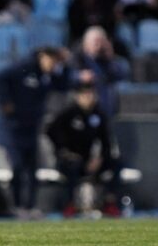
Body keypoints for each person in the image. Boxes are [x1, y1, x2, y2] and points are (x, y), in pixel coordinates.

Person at [0, 47, 70, 217]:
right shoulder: (23, 68)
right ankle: (17, 205)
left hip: (31, 128)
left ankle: (30, 206)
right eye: (51, 60)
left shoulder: (47, 76)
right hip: (13, 128)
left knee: (32, 168)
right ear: (42, 56)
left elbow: (64, 85)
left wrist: (65, 65)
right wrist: (5, 102)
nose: (52, 64)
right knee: (18, 166)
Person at [46, 82, 121, 218]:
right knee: (72, 166)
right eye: (84, 95)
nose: (88, 98)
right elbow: (51, 131)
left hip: (89, 159)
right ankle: (70, 204)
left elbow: (106, 142)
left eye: (90, 94)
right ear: (77, 97)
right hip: (69, 159)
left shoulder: (99, 115)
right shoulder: (68, 114)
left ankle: (110, 203)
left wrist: (100, 158)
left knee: (115, 164)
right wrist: (64, 150)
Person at [74, 27, 130, 119]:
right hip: (83, 111)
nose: (98, 45)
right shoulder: (77, 59)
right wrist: (79, 76)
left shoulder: (107, 61)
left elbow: (122, 74)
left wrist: (110, 58)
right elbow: (68, 76)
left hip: (106, 110)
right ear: (85, 43)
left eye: (101, 42)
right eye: (95, 41)